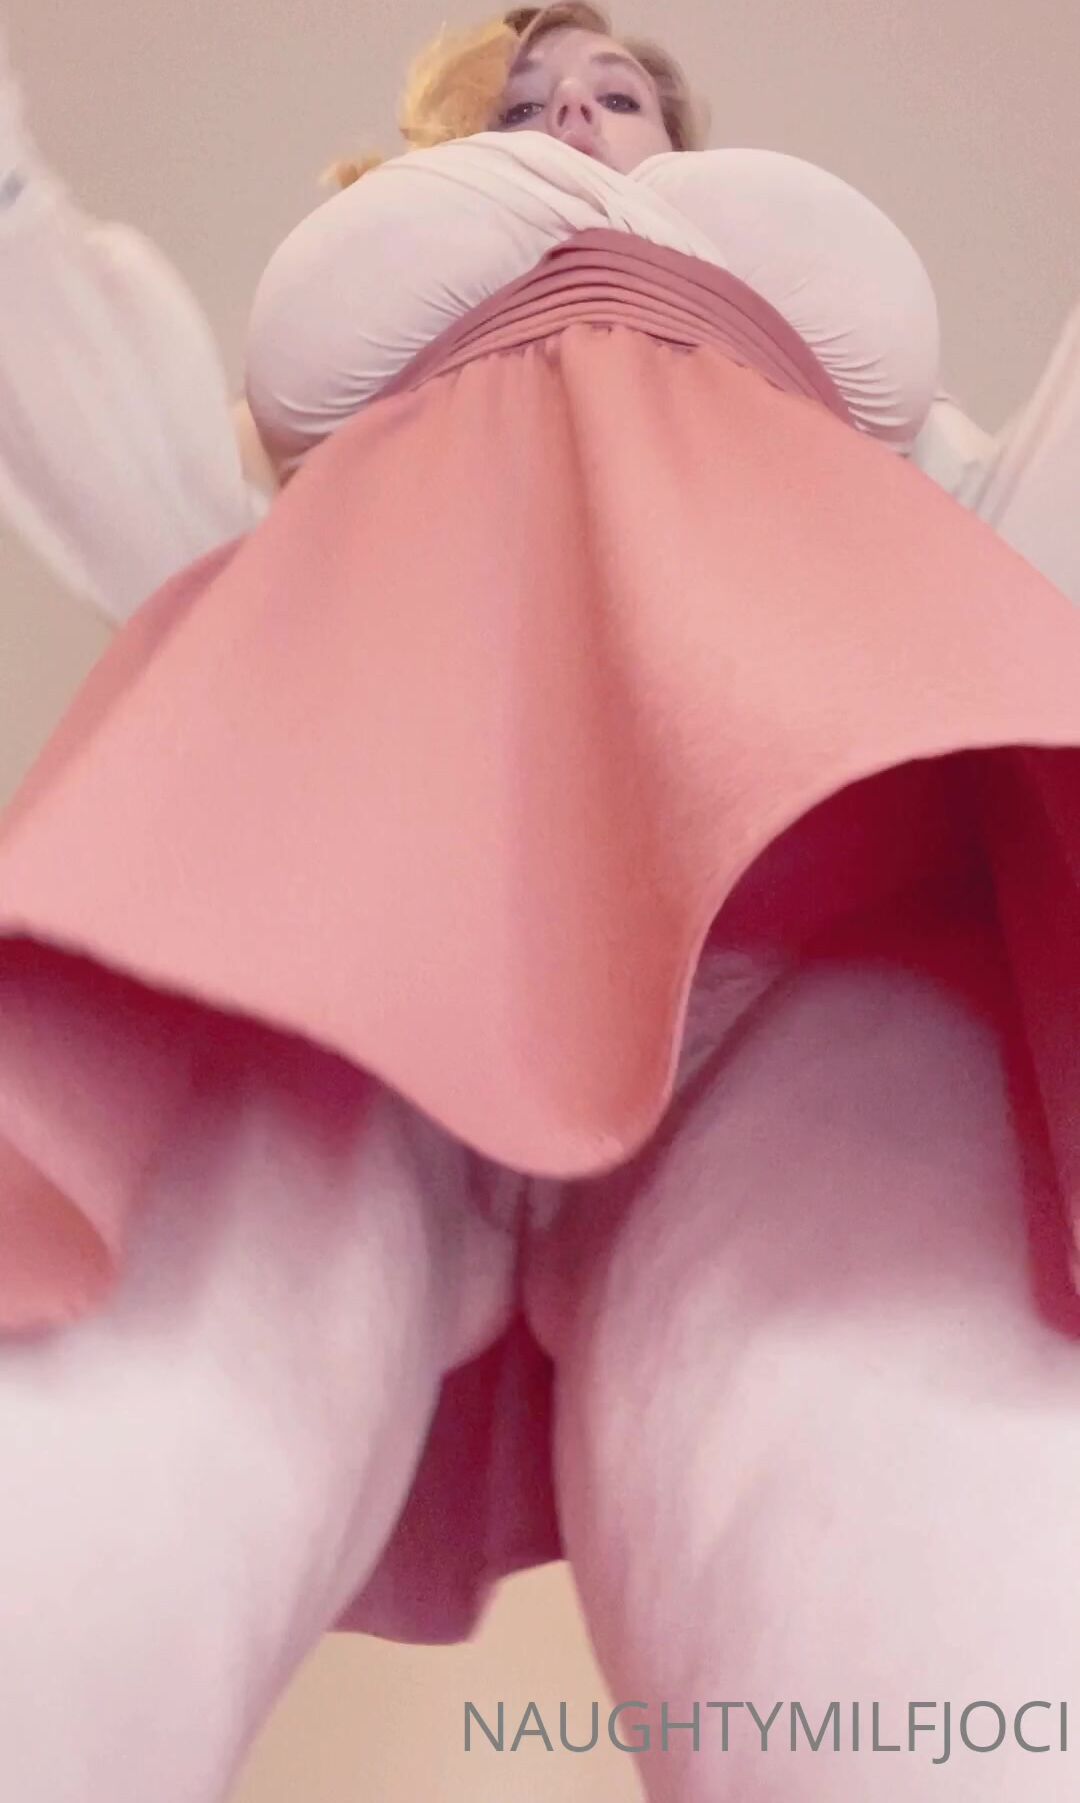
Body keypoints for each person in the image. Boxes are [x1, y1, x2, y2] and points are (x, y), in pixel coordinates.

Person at [3, 7, 1080, 1801]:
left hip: (824, 932)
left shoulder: (879, 440)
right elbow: (149, 479)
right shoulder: (342, 437)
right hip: (333, 927)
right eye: (524, 99)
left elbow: (1024, 560)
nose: (574, 108)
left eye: (617, 89)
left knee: (933, 1648)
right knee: (71, 1528)